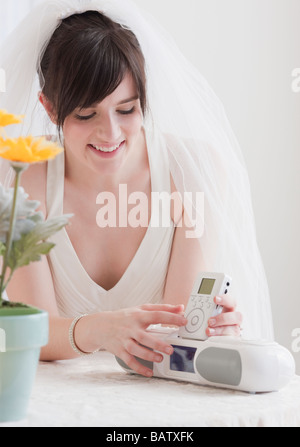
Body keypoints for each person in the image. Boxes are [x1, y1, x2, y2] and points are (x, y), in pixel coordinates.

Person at [0, 0, 273, 377]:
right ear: (49, 108)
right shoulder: (20, 181)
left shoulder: (191, 170)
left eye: (127, 110)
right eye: (85, 114)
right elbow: (33, 334)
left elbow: (175, 334)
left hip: (160, 393)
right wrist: (99, 329)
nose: (110, 134)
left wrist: (211, 331)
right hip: (56, 397)